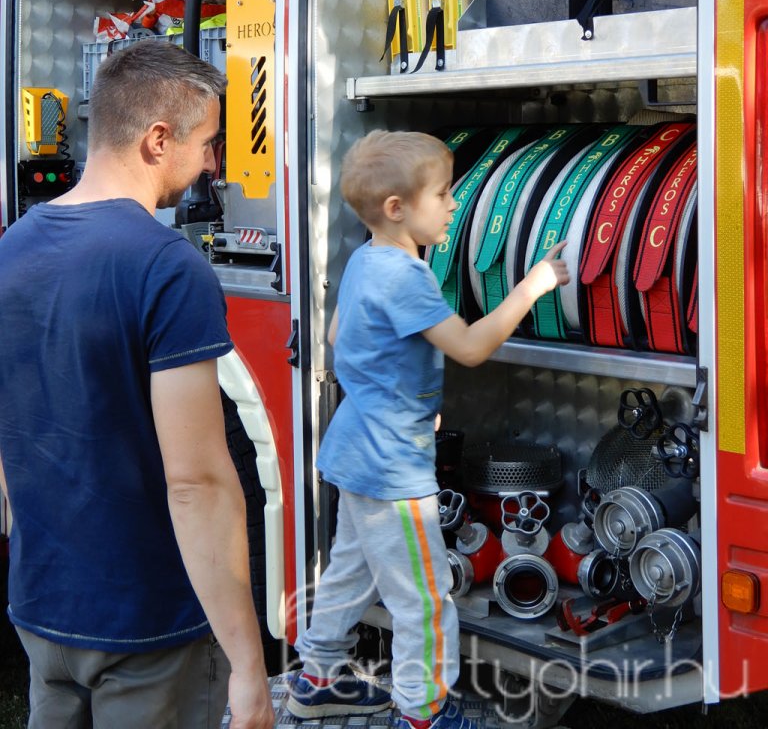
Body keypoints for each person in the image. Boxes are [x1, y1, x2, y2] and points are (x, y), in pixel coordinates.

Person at [0, 42, 274, 729]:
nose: (212, 165)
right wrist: (249, 665)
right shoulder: (167, 266)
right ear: (158, 140)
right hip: (149, 631)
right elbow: (197, 484)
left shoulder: (12, 247)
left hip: (43, 614)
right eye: (207, 143)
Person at [287, 129, 569, 729]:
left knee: (351, 571)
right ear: (397, 208)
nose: (452, 204)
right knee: (424, 596)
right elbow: (469, 347)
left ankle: (318, 677)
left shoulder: (364, 260)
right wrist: (533, 285)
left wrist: (402, 394)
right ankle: (425, 712)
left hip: (355, 452)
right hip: (393, 468)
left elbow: (339, 338)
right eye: (441, 194)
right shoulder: (406, 276)